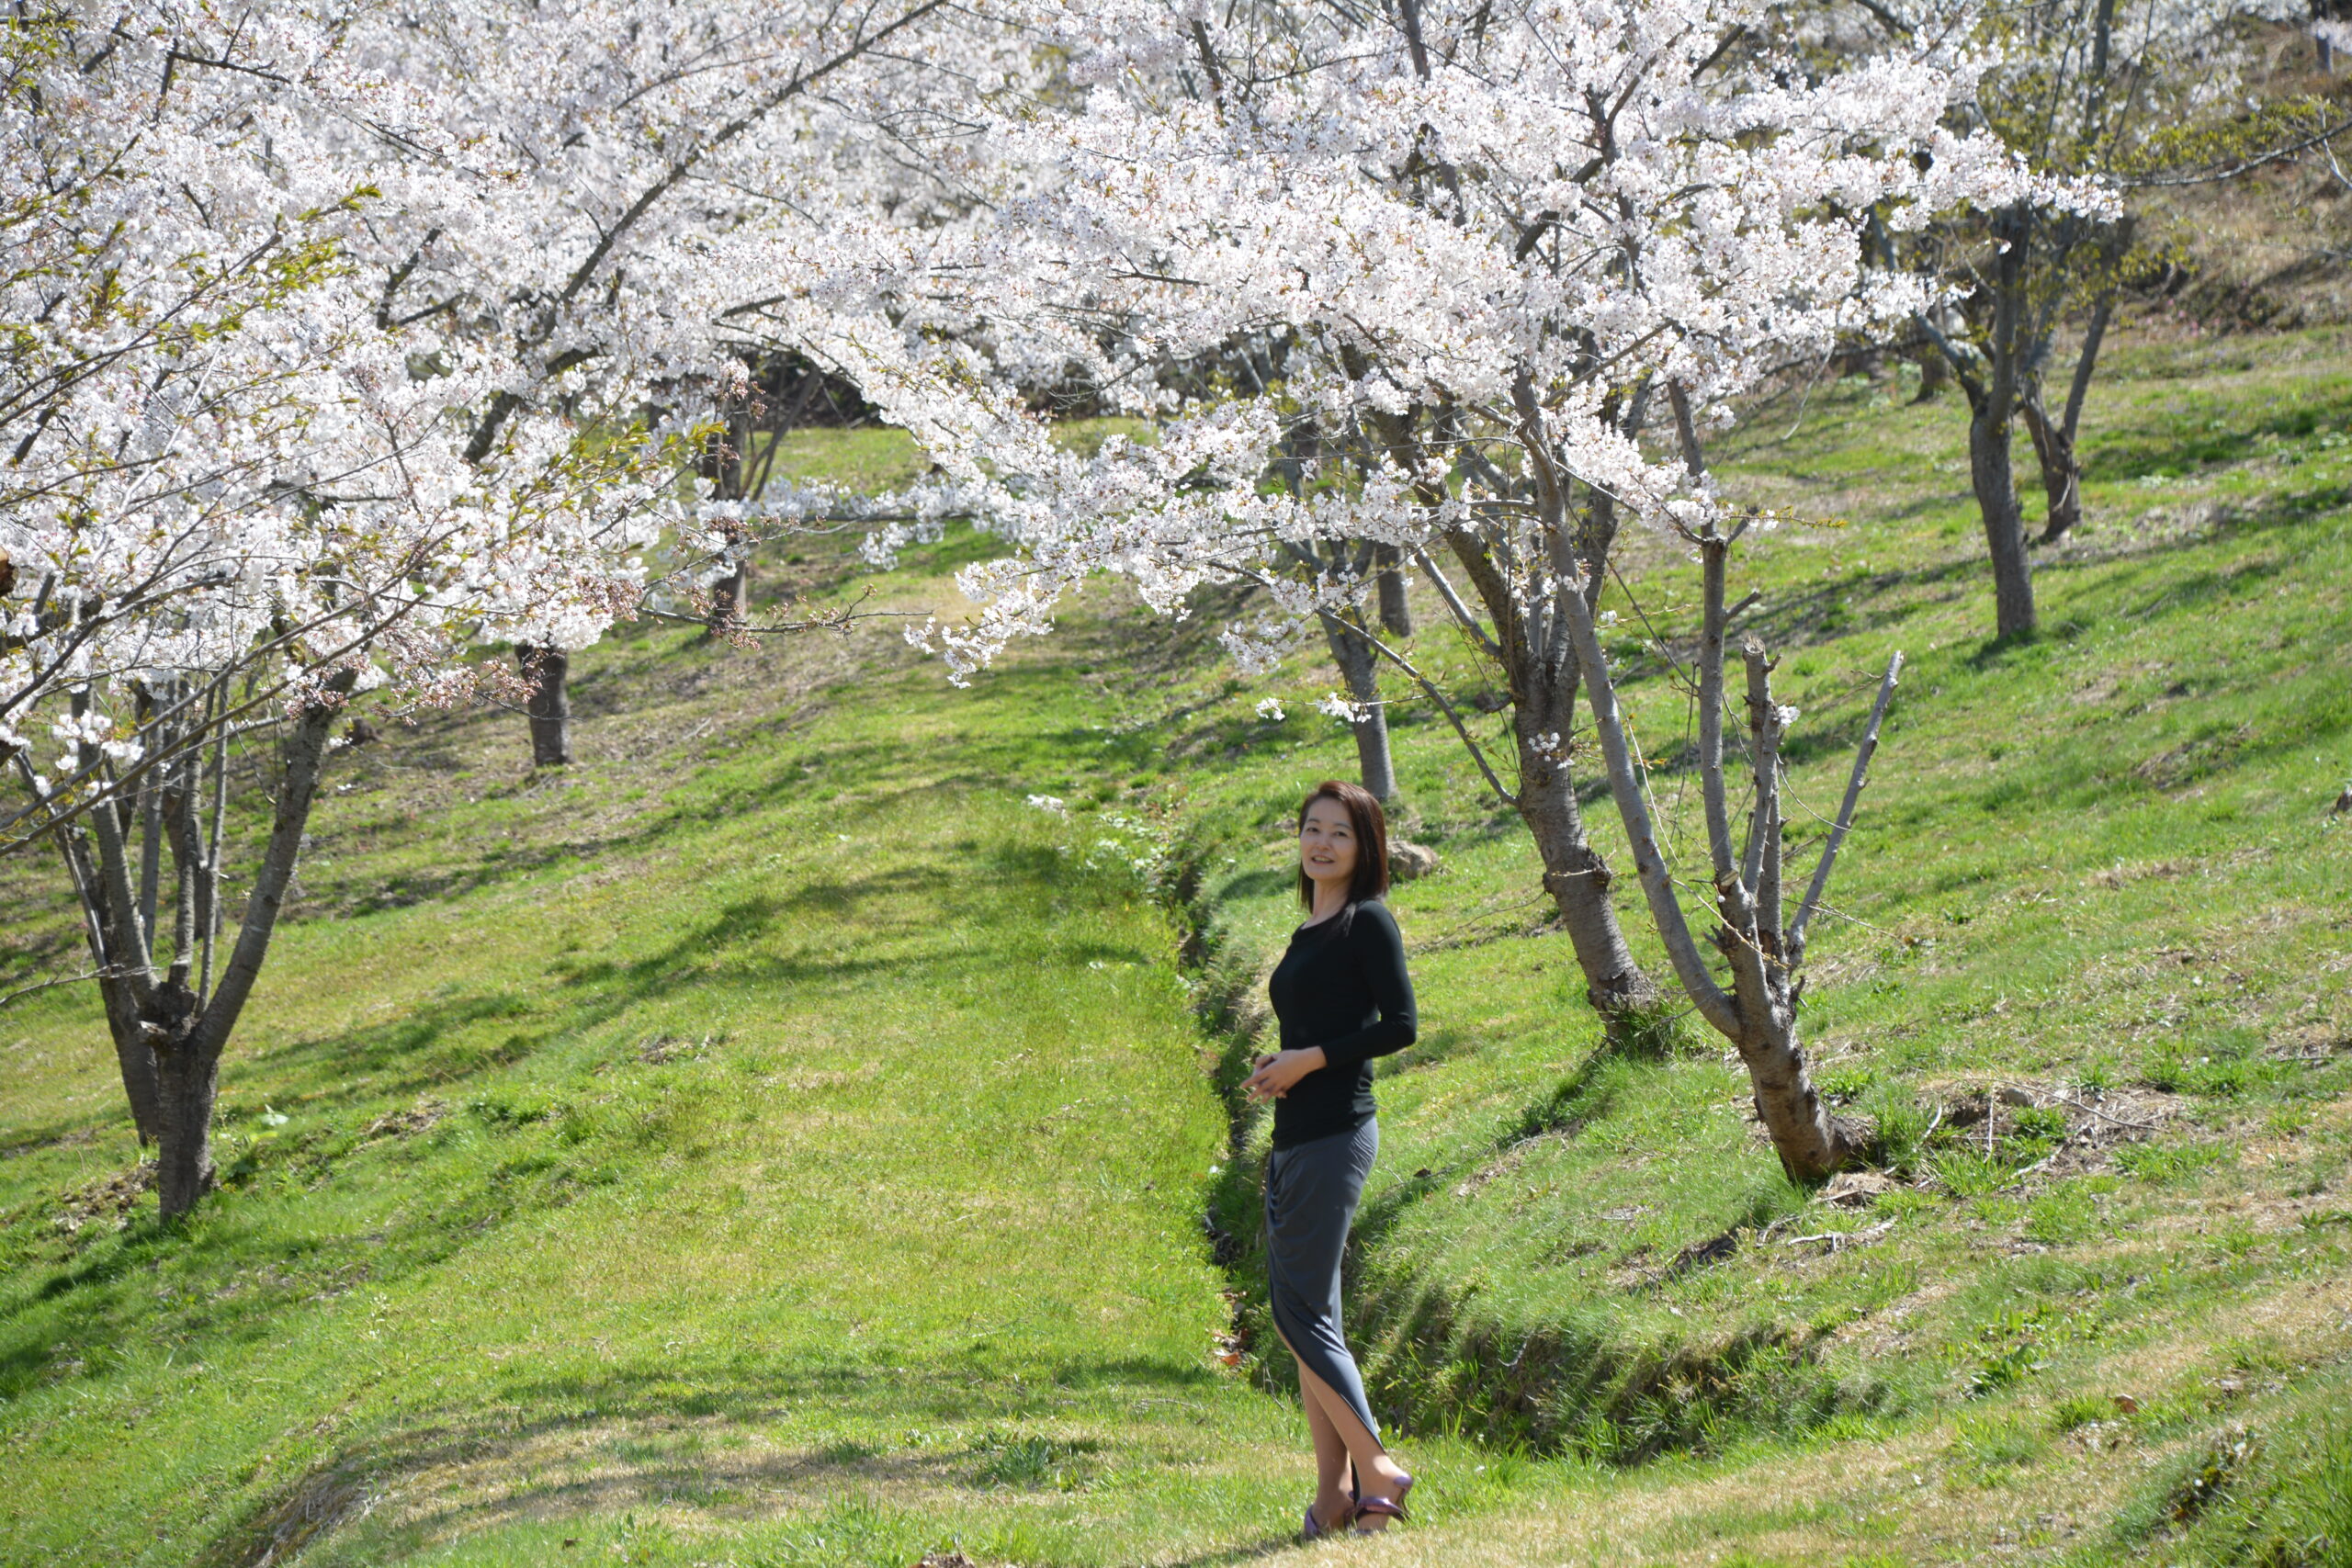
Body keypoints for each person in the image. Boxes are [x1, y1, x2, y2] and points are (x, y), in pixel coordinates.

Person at [1243, 779, 1419, 1539]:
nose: (1321, 843)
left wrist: (1311, 1058)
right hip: (1295, 1134)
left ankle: (1377, 1468)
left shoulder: (1367, 922)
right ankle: (1333, 1494)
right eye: (1312, 829)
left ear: (1365, 845)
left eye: (1339, 833)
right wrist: (1279, 1067)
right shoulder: (1307, 930)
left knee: (1297, 1314)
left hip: (1335, 1134)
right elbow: (1314, 1025)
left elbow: (1401, 1026)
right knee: (1315, 1321)